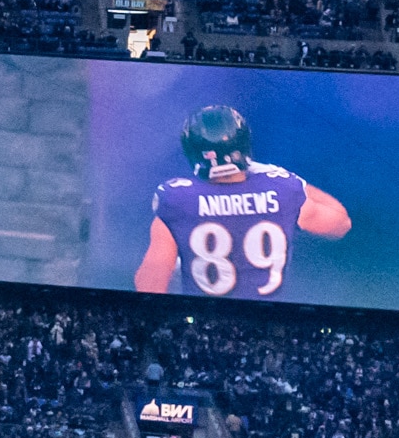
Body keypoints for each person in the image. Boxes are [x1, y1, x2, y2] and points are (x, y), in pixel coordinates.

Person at [133, 105, 350, 299]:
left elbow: (150, 284)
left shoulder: (177, 198)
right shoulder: (283, 190)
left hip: (202, 317)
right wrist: (298, 183)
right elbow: (340, 225)